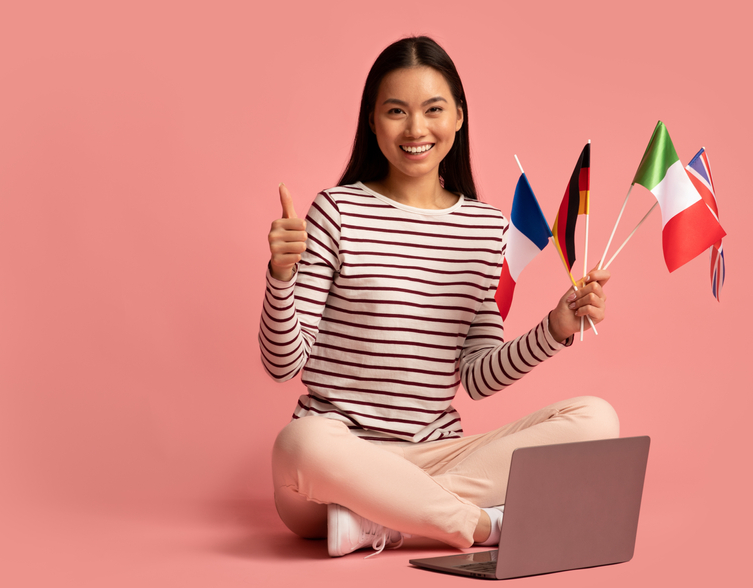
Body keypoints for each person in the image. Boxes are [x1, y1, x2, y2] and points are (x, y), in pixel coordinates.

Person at [261, 35, 618, 558]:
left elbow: (476, 375)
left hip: (439, 458)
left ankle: (385, 522)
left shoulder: (485, 228)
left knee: (597, 419)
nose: (415, 129)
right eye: (396, 111)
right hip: (338, 467)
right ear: (371, 121)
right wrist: (280, 275)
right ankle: (477, 526)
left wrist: (556, 328)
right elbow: (281, 363)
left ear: (459, 117)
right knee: (299, 444)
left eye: (433, 110)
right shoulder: (335, 212)